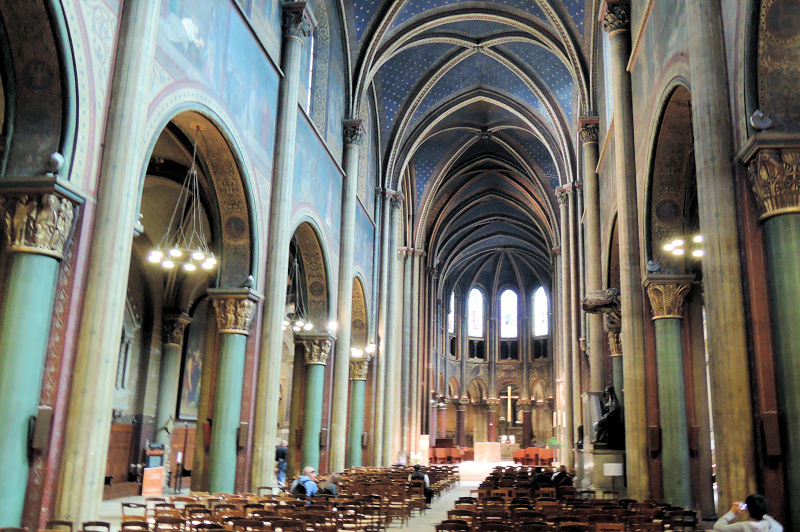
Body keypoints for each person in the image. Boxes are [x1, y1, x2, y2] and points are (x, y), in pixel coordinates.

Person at [713, 494, 783, 531]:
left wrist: (732, 512)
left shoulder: (742, 527)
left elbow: (717, 527)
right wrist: (759, 508)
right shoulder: (774, 526)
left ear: (747, 510)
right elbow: (767, 517)